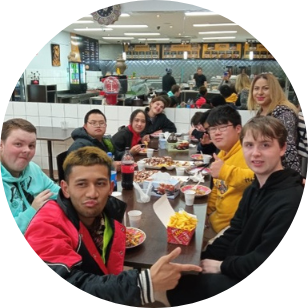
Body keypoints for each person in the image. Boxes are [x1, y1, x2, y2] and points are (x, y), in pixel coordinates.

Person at [24, 146, 202, 306]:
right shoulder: (47, 224)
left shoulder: (110, 215)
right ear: (65, 189)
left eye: (100, 183)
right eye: (81, 184)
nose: (92, 193)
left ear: (110, 187)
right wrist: (143, 284)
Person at [167, 116, 304, 305]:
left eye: (265, 145)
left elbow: (265, 260)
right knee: (182, 276)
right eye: (249, 145)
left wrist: (222, 266)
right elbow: (235, 231)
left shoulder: (291, 200)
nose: (255, 153)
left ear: (282, 149)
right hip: (240, 261)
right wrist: (202, 258)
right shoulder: (254, 189)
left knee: (181, 288)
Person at [203, 105, 254, 244]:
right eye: (212, 128)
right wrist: (207, 213)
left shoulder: (247, 152)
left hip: (234, 231)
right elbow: (217, 188)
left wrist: (225, 171)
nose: (216, 133)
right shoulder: (223, 153)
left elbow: (256, 178)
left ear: (238, 129)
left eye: (223, 127)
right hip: (215, 223)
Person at [1, 118, 60, 234]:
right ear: (1, 145)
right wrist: (33, 211)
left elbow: (59, 194)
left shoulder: (33, 169)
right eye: (18, 144)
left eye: (31, 146)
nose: (27, 150)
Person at [247, 73, 301, 173]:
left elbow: (289, 149)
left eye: (265, 88)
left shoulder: (284, 114)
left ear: (274, 91)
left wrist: (293, 178)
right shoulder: (261, 113)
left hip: (279, 174)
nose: (260, 92)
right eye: (256, 88)